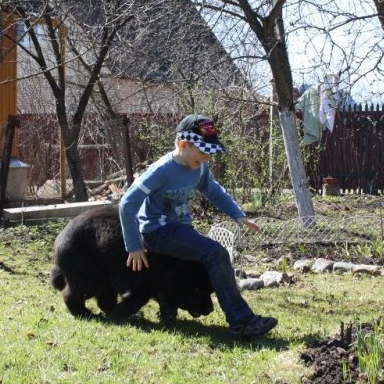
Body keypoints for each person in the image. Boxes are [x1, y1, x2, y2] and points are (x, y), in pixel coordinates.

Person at [119, 114, 278, 338]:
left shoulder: (199, 168)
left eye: (210, 153)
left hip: (181, 229)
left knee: (208, 258)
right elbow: (127, 204)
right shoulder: (160, 171)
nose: (207, 158)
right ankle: (241, 321)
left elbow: (213, 191)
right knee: (216, 253)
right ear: (183, 144)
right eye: (203, 152)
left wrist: (237, 215)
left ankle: (176, 305)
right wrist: (133, 246)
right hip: (157, 231)